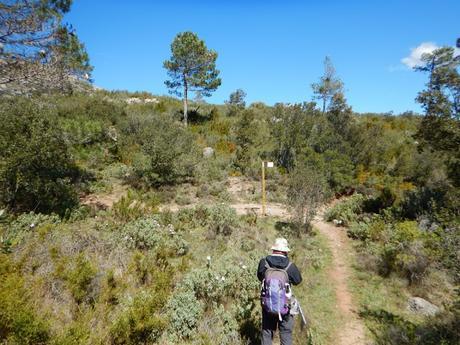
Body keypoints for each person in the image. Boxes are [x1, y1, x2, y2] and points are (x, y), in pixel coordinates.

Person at [257, 238, 302, 345]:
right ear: (285, 251)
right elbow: (298, 281)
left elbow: (259, 276)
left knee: (267, 333)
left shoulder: (264, 263)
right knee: (286, 334)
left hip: (267, 305)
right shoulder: (290, 266)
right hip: (285, 306)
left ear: (274, 249)